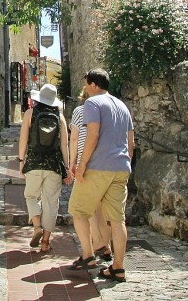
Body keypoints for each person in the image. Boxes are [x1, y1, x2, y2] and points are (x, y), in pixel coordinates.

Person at [67, 69, 134, 282]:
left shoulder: (92, 104)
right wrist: (126, 163)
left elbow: (93, 134)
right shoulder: (122, 106)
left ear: (94, 84)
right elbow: (130, 141)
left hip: (98, 166)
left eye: (87, 84)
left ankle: (88, 256)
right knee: (117, 220)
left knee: (78, 210)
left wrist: (82, 165)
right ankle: (118, 267)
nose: (85, 89)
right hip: (121, 166)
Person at [18, 83, 70, 253]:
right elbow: (64, 145)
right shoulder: (60, 117)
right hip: (54, 164)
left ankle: (36, 226)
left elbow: (23, 140)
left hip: (33, 162)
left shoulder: (30, 114)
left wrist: (21, 160)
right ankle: (46, 242)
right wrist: (67, 167)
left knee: (31, 195)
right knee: (51, 202)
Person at [69, 89, 112, 261]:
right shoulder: (107, 112)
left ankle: (95, 246)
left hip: (86, 164)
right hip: (106, 163)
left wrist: (73, 163)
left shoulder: (80, 111)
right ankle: (106, 246)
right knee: (101, 209)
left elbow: (74, 139)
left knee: (85, 209)